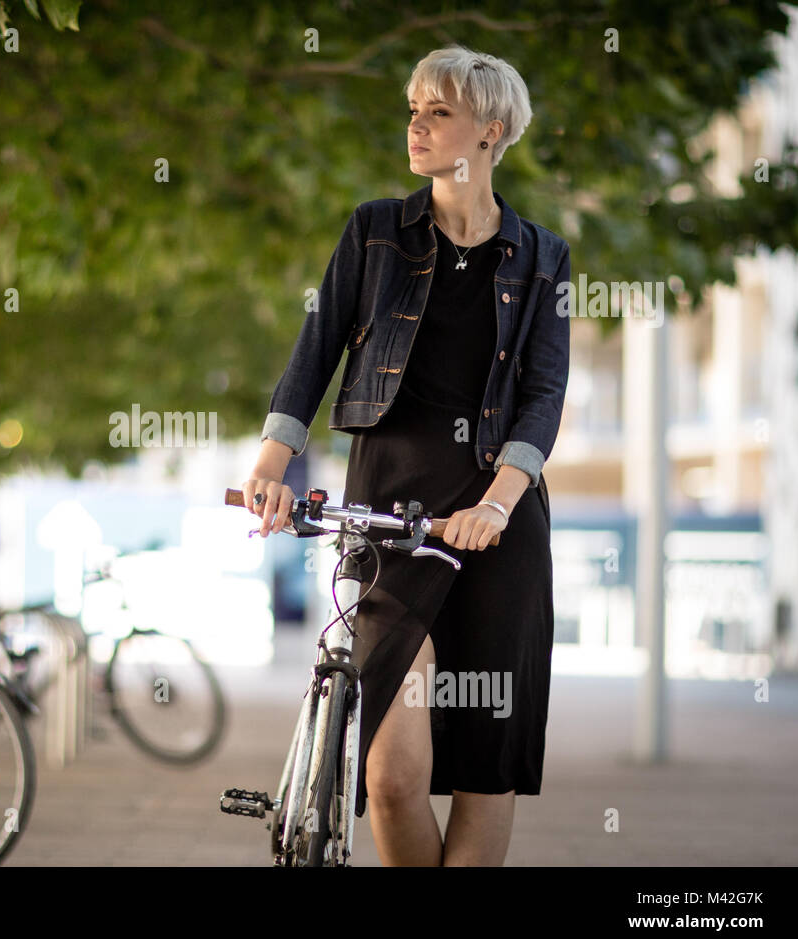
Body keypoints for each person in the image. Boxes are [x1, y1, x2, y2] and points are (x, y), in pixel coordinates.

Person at [242, 45, 571, 866]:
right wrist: (269, 468)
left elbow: (543, 392)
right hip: (389, 510)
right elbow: (315, 352)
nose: (416, 127)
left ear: (490, 131)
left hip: (497, 523)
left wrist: (496, 504)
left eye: (439, 112)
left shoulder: (541, 257)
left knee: (485, 770)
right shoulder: (376, 232)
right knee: (388, 775)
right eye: (414, 110)